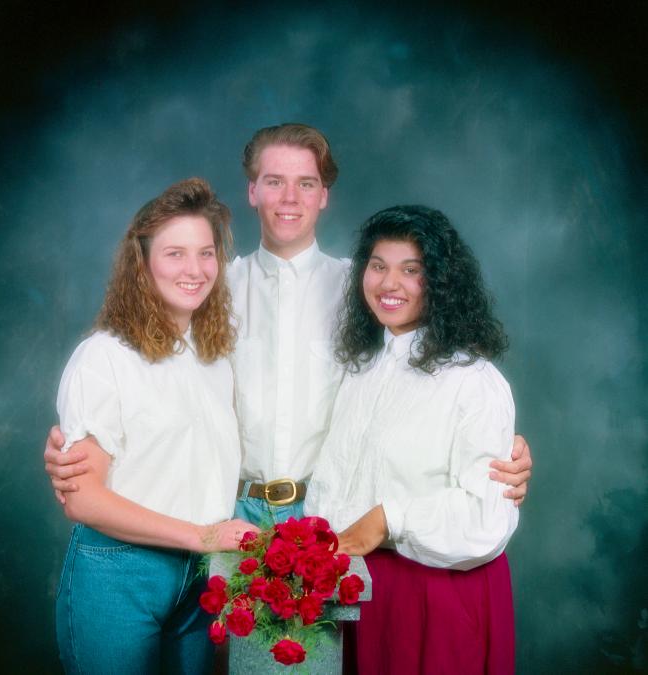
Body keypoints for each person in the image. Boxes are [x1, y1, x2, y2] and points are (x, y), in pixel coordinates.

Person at [44, 124, 532, 525]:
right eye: (274, 181)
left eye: (306, 183)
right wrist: (81, 438)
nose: (289, 198)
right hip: (228, 512)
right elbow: (156, 376)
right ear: (252, 191)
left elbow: (425, 377)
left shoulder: (364, 292)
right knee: (227, 647)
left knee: (319, 648)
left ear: (324, 196)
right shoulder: (209, 288)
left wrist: (500, 447)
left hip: (329, 513)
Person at [54, 178, 258, 674]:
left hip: (200, 577)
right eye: (174, 254)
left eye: (206, 253)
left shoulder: (214, 360)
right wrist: (202, 536)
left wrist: (207, 547)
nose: (195, 270)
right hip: (121, 571)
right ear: (141, 265)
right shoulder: (104, 356)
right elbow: (83, 498)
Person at [305, 204, 521, 674]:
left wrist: (389, 518)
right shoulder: (361, 367)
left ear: (440, 284)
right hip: (361, 586)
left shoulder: (473, 380)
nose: (388, 284)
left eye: (411, 270)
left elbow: (485, 516)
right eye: (378, 266)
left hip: (436, 593)